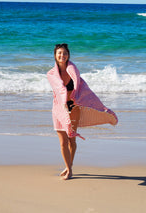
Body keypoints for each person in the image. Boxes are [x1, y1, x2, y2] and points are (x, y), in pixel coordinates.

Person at [47, 43, 118, 180]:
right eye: (59, 53)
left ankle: (69, 168)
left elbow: (85, 91)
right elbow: (59, 91)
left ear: (68, 55)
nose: (62, 55)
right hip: (58, 109)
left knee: (71, 140)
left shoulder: (74, 72)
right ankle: (68, 167)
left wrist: (102, 108)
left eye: (65, 53)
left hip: (73, 107)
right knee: (62, 142)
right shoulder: (51, 74)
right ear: (55, 56)